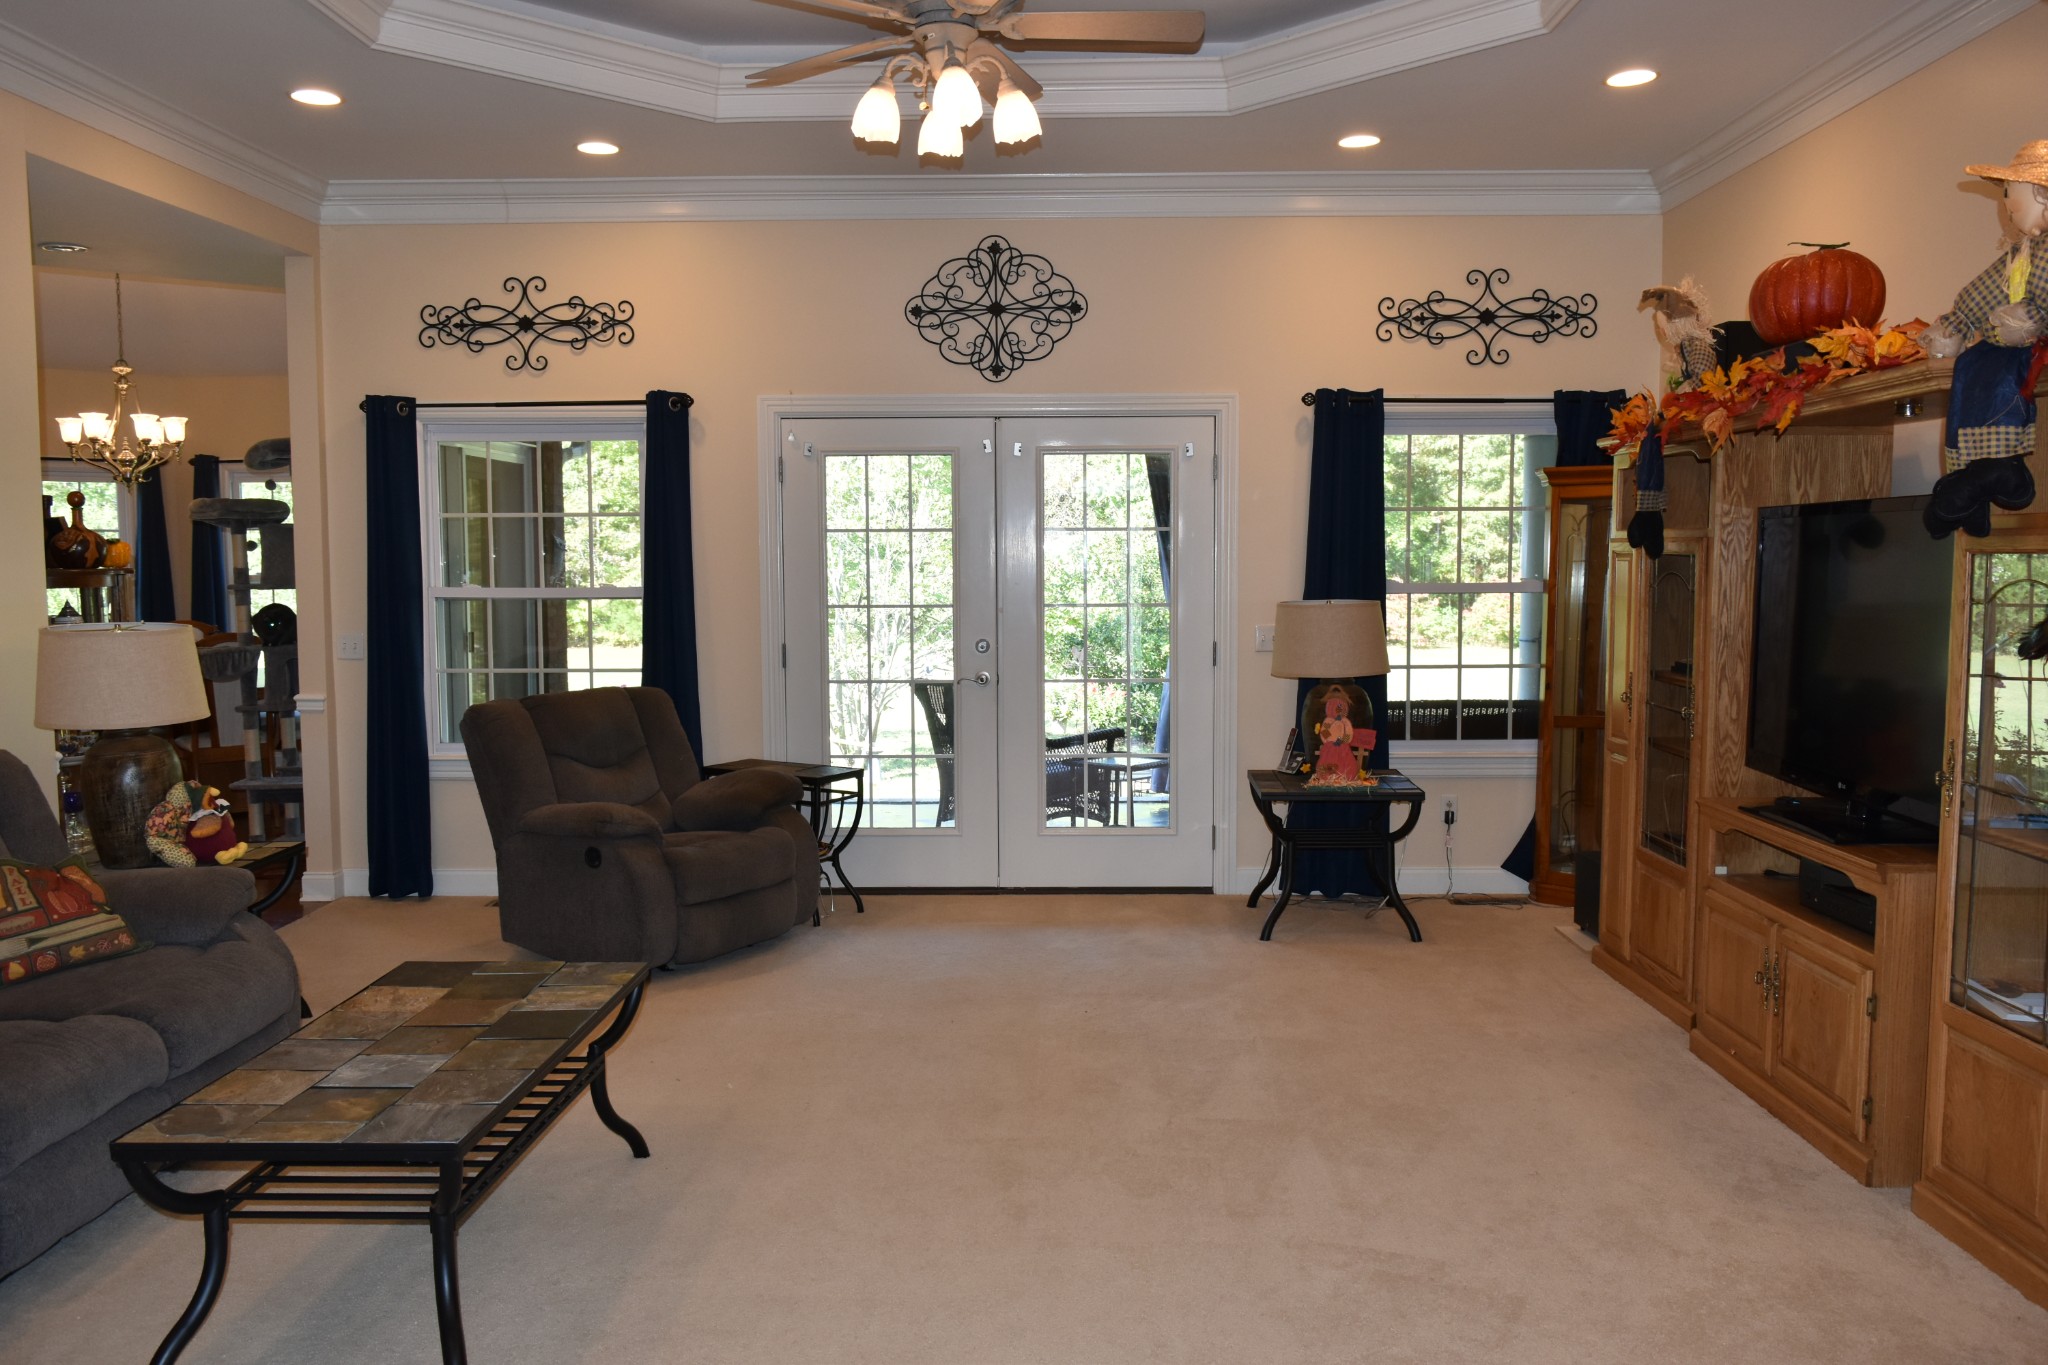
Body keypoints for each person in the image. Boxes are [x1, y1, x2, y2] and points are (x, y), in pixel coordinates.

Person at [1922, 141, 2048, 538]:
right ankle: (1976, 478)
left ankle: (1997, 468)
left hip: (2030, 343)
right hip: (2006, 338)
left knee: (2007, 372)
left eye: (2014, 194)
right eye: (2007, 195)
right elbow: (1986, 289)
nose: (2008, 204)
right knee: (1972, 366)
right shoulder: (2022, 252)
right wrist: (1959, 320)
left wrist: (2035, 317)